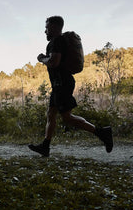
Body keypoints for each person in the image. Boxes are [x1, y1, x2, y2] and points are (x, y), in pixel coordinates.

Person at [28, 16, 113, 157]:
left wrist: (42, 58)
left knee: (67, 117)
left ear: (54, 27)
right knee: (51, 114)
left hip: (62, 83)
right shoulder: (58, 41)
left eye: (47, 28)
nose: (45, 31)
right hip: (59, 84)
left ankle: (102, 133)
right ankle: (45, 146)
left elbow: (54, 62)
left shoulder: (56, 42)